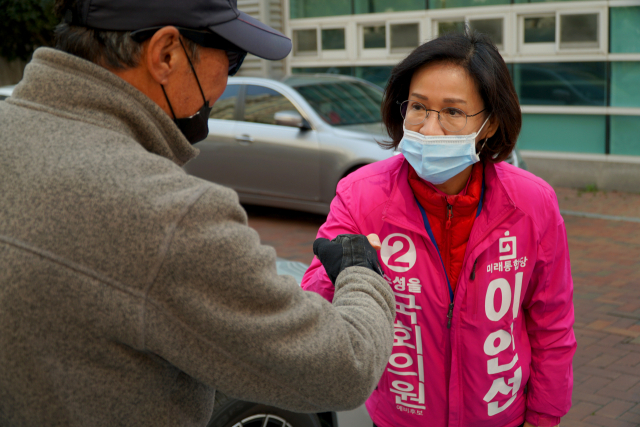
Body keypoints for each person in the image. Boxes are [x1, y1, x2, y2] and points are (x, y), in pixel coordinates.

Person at [0, 1, 396, 426]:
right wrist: (363, 275)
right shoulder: (168, 214)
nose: (226, 82)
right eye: (232, 58)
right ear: (166, 53)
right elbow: (343, 370)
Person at [301, 30, 576, 427]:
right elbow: (314, 311)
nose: (429, 129)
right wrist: (345, 269)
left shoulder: (533, 203)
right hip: (399, 416)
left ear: (490, 123)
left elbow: (551, 323)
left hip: (502, 416)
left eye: (452, 111)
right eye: (418, 107)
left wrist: (544, 417)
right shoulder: (359, 194)